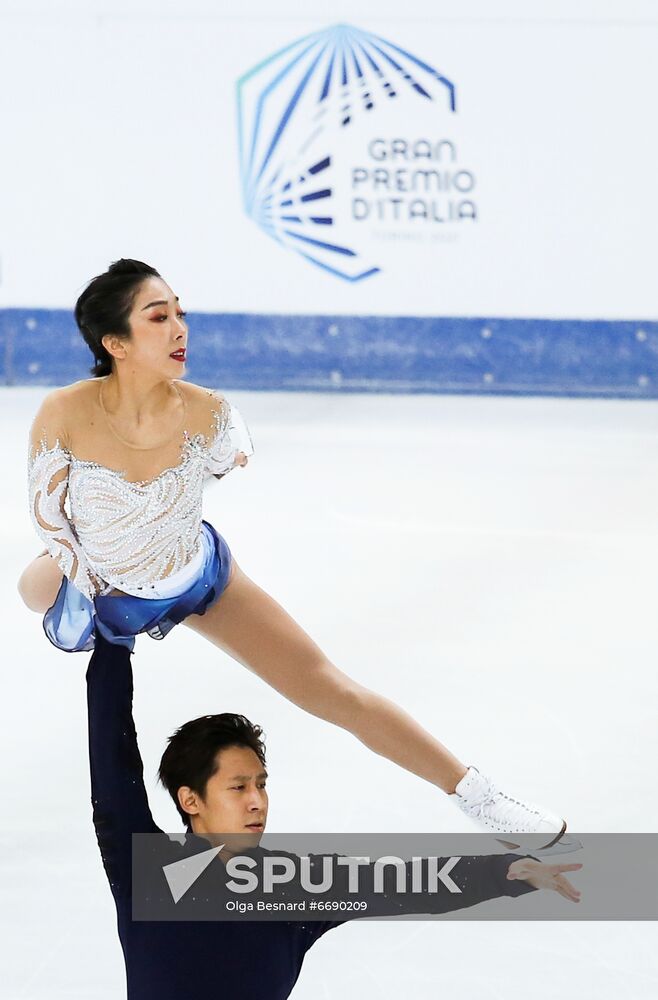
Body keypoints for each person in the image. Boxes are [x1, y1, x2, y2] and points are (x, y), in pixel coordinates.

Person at [19, 258, 579, 853]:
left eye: (182, 312)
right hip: (101, 579)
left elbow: (216, 469)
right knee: (33, 591)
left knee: (328, 688)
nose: (180, 327)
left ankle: (479, 797)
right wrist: (102, 592)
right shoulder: (65, 412)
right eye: (159, 317)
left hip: (194, 575)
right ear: (116, 344)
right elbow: (51, 520)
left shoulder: (210, 415)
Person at [87, 631, 582, 1000]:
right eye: (237, 787)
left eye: (261, 784)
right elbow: (112, 758)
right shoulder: (147, 872)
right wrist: (113, 643)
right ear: (190, 799)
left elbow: (402, 883)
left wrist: (504, 873)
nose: (257, 800)